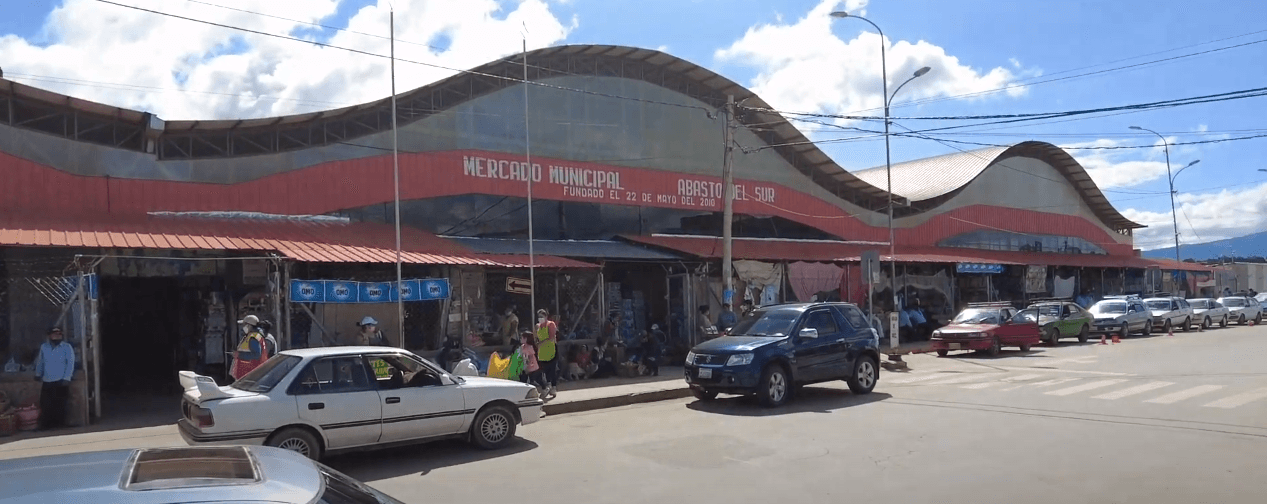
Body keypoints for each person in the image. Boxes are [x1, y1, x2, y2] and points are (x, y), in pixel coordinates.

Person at [34, 327, 74, 430]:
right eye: (55, 334)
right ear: (50, 335)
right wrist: (38, 373)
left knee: (60, 404)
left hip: (61, 380)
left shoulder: (67, 347)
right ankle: (46, 425)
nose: (57, 335)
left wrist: (67, 378)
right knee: (46, 404)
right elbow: (40, 361)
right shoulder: (44, 347)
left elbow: (70, 363)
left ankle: (60, 425)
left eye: (59, 334)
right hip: (47, 380)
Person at [231, 315, 270, 381]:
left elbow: (256, 355)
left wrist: (239, 355)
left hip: (249, 373)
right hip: (247, 373)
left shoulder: (253, 338)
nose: (243, 327)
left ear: (249, 325)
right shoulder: (252, 336)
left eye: (244, 325)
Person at [535, 309, 559, 399]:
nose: (540, 318)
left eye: (542, 316)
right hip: (542, 352)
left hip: (551, 350)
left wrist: (541, 342)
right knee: (544, 370)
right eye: (539, 316)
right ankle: (548, 386)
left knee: (552, 370)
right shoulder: (538, 326)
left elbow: (551, 337)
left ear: (546, 316)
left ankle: (553, 387)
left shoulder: (551, 324)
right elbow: (536, 337)